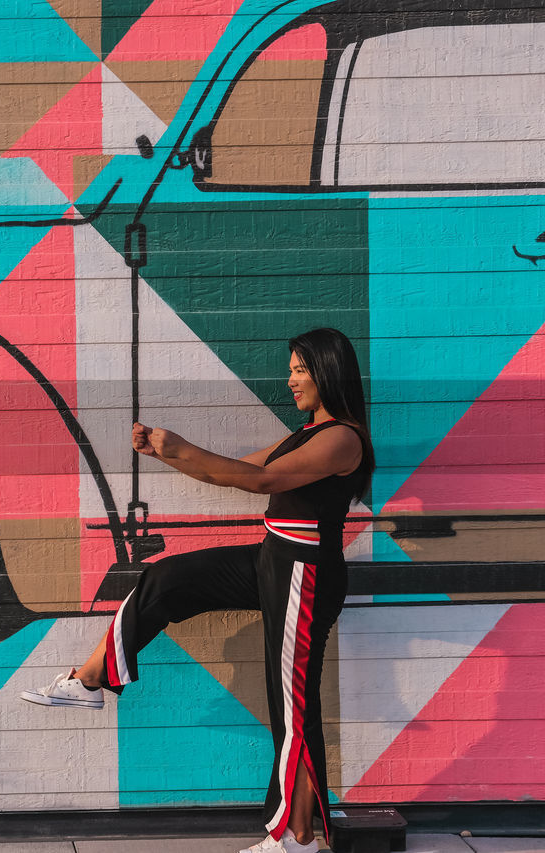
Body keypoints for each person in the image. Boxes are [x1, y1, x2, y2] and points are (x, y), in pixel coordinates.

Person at [21, 328, 374, 853]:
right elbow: (244, 468)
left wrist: (183, 447)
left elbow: (260, 483)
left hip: (306, 571)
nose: (291, 379)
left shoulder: (343, 438)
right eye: (292, 369)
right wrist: (169, 454)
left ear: (328, 371)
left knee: (292, 706)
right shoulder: (306, 432)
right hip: (273, 559)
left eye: (301, 369)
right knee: (168, 579)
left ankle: (298, 839)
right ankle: (92, 680)